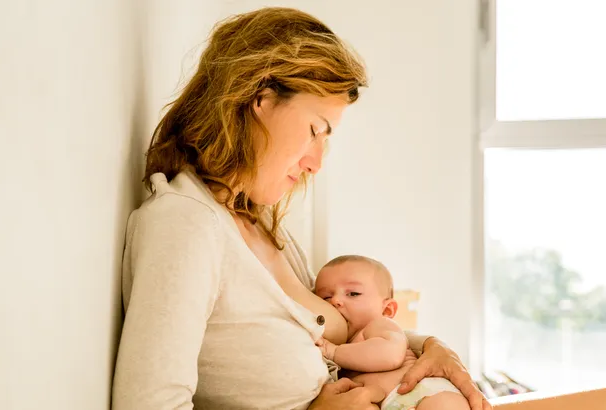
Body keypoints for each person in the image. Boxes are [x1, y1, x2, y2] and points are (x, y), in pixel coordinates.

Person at [112, 7, 491, 410]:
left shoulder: (261, 224)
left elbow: (339, 333)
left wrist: (430, 347)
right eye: (315, 131)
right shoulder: (185, 225)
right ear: (260, 98)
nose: (316, 163)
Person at [314, 255, 470, 410]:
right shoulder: (337, 343)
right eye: (326, 297)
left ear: (387, 310)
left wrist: (334, 351)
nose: (335, 301)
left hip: (425, 393)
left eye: (353, 293)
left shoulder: (378, 326)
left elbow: (391, 355)